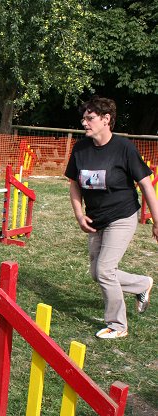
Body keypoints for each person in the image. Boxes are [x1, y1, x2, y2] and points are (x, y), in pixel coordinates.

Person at [65, 96, 158, 339]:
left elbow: (147, 185)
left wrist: (157, 222)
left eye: (90, 118)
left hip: (123, 216)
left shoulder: (124, 148)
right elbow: (74, 184)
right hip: (96, 218)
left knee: (105, 270)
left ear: (106, 120)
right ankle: (141, 285)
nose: (84, 122)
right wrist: (79, 214)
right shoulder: (80, 148)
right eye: (84, 117)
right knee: (97, 272)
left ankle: (118, 326)